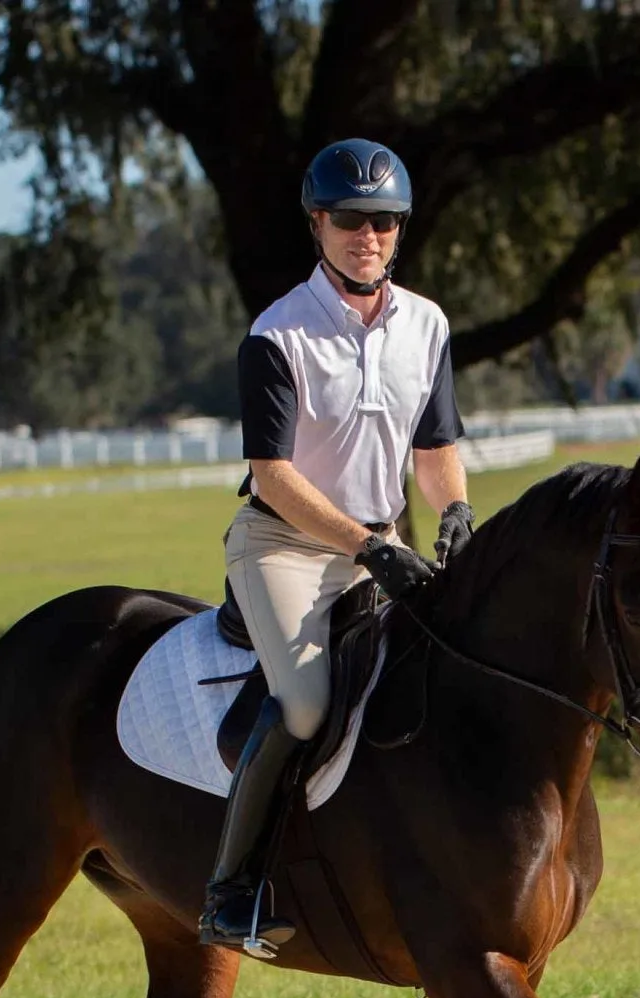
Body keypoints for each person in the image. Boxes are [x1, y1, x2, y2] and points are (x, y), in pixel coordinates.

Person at [199, 137, 475, 955]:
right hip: (282, 546)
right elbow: (273, 475)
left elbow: (433, 450)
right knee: (310, 705)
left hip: (380, 539)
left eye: (387, 220)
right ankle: (232, 893)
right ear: (317, 223)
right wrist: (368, 547)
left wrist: (455, 507)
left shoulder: (426, 324)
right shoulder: (278, 333)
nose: (371, 236)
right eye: (353, 219)